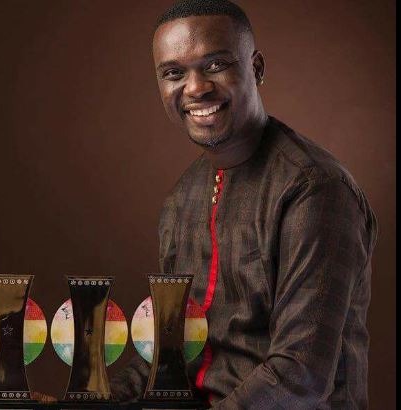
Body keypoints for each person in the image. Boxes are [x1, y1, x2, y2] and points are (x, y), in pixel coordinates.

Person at [110, 0, 378, 409]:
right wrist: (94, 400)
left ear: (256, 68)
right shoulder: (181, 199)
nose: (195, 87)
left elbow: (299, 375)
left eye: (216, 65)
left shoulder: (315, 189)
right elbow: (169, 355)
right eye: (174, 73)